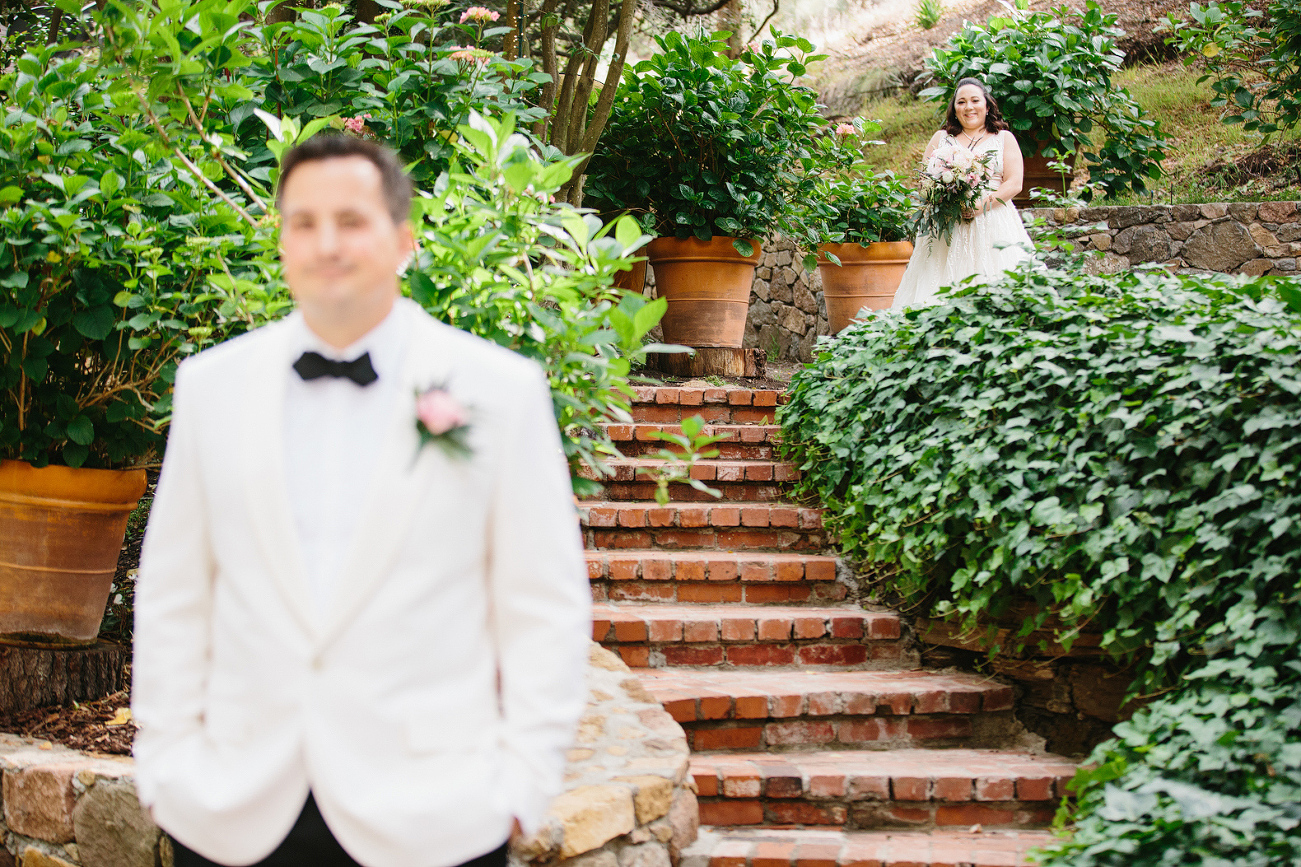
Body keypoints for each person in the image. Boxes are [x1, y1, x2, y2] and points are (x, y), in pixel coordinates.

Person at [131, 134, 592, 867]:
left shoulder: (499, 389)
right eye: (303, 223)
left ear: (404, 240)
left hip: (433, 814)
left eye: (351, 220)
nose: (326, 243)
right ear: (281, 240)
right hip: (234, 811)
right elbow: (174, 594)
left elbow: (544, 604)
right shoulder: (211, 386)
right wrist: (164, 765)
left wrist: (521, 783)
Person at [891, 77, 1036, 309]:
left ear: (987, 106)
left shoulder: (1004, 139)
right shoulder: (942, 138)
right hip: (947, 224)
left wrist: (979, 207)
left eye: (975, 100)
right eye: (961, 102)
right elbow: (924, 182)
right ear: (954, 109)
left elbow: (1014, 183)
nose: (969, 107)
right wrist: (946, 201)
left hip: (994, 219)